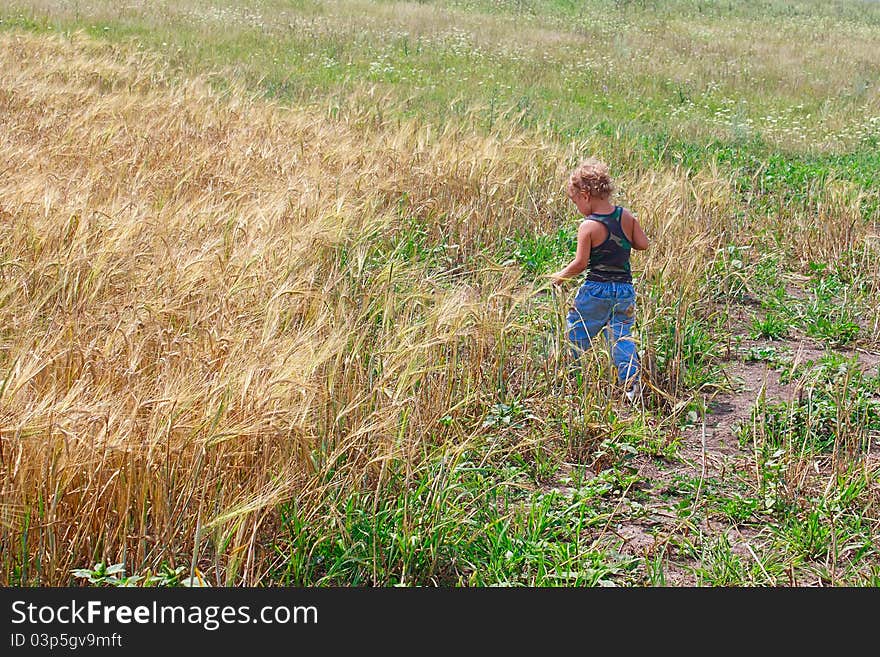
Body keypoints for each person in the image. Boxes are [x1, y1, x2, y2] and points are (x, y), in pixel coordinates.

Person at [550, 158, 649, 404]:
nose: (577, 207)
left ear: (585, 195)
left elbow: (581, 263)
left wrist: (559, 277)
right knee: (622, 338)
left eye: (575, 202)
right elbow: (643, 244)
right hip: (625, 290)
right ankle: (631, 384)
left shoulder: (589, 226)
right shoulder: (625, 216)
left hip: (596, 290)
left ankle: (567, 378)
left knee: (577, 333)